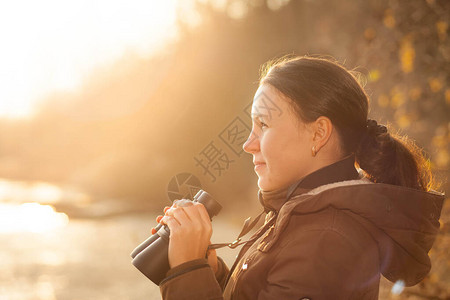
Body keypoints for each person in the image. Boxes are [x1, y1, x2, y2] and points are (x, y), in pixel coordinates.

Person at [157, 56, 445, 299]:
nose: (248, 143)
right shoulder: (304, 216)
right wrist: (211, 271)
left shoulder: (327, 240)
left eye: (264, 124)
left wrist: (188, 270)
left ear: (318, 134)